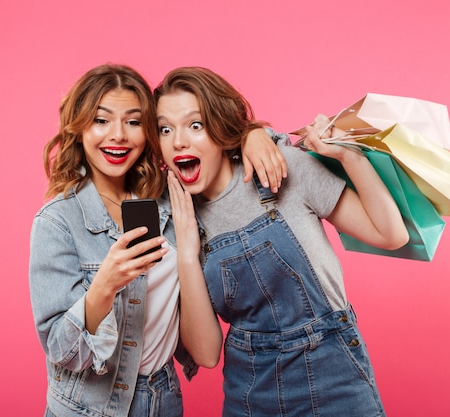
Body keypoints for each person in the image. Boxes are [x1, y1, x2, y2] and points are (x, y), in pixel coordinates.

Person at [28, 63, 287, 417]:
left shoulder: (173, 197)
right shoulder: (58, 222)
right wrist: (104, 285)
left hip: (161, 399)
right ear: (79, 129)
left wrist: (254, 134)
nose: (118, 135)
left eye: (133, 122)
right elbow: (61, 350)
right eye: (101, 121)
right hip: (88, 406)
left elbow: (215, 150)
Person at [155, 66, 409, 417]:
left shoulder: (281, 167)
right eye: (165, 129)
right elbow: (207, 354)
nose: (178, 141)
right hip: (249, 391)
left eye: (195, 125)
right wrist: (186, 252)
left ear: (220, 128)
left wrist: (349, 156)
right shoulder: (175, 217)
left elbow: (391, 235)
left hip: (335, 377)